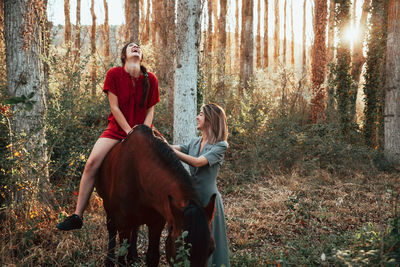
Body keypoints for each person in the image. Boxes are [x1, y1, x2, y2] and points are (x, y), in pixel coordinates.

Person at [56, 42, 160, 231]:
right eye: (131, 47)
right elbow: (114, 107)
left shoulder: (151, 79)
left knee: (166, 161)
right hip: (117, 130)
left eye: (138, 47)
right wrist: (130, 132)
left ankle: (170, 212)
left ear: (141, 56)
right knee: (91, 164)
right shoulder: (114, 74)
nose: (136, 47)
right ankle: (78, 215)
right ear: (123, 55)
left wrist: (143, 134)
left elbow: (150, 111)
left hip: (143, 132)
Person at [170, 103, 230, 267]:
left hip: (209, 200)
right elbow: (172, 147)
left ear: (210, 120)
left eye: (201, 114)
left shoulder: (220, 146)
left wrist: (173, 152)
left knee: (209, 241)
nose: (197, 117)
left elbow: (197, 163)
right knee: (194, 241)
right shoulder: (195, 142)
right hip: (192, 201)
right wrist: (157, 140)